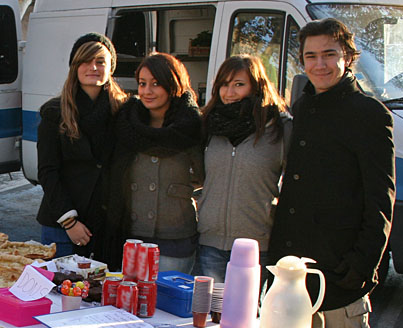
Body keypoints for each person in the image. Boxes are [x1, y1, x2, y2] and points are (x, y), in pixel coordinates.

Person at [269, 18, 395, 328]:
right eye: (311, 56)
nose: (320, 64)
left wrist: (360, 266)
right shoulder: (304, 106)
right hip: (296, 273)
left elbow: (380, 200)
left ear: (348, 57)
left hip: (341, 273)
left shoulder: (369, 114)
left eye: (329, 54)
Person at [196, 55, 291, 283]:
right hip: (210, 243)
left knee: (246, 316)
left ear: (256, 87)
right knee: (210, 314)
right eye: (224, 85)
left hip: (256, 246)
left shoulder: (279, 128)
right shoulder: (208, 124)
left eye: (239, 84)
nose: (229, 93)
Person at [106, 53, 203, 273]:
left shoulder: (190, 125)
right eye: (142, 84)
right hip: (132, 234)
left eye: (156, 84)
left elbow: (201, 176)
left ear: (173, 84)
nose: (147, 91)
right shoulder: (127, 122)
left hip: (175, 235)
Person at [36, 33, 127, 261]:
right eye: (85, 61)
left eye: (100, 61)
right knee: (60, 293)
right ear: (74, 66)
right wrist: (70, 222)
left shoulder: (124, 111)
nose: (93, 67)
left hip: (107, 226)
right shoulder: (54, 112)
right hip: (62, 225)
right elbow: (48, 172)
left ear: (110, 67)